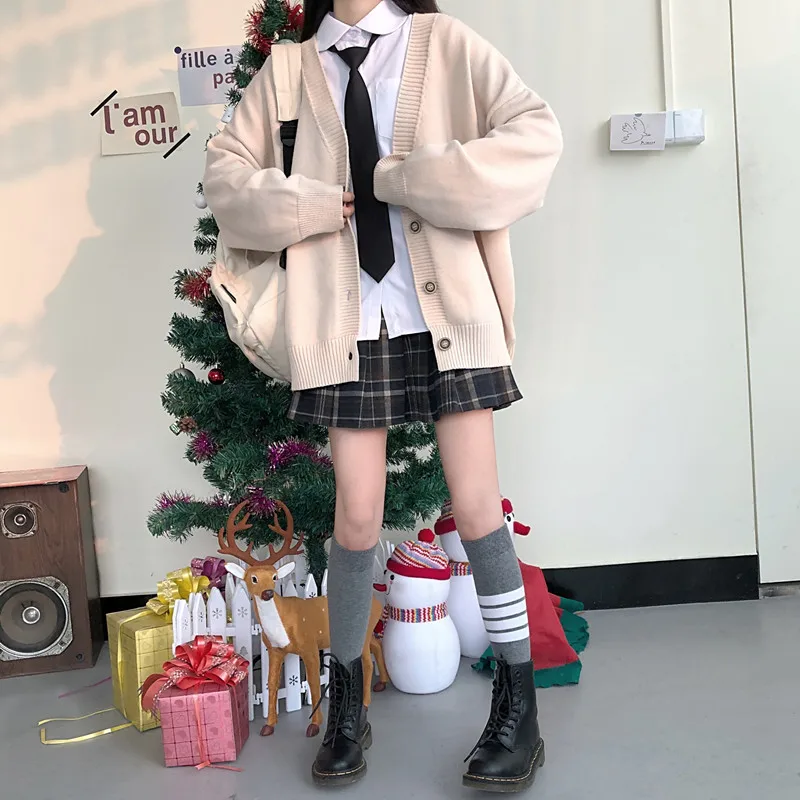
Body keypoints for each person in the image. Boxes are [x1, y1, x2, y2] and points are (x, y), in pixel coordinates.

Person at [204, 0, 562, 792]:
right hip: (346, 325)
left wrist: (407, 178)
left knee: (479, 509)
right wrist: (302, 204)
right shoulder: (290, 69)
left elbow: (535, 135)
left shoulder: (445, 43)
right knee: (356, 517)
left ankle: (519, 709)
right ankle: (346, 706)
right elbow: (224, 178)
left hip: (447, 314)